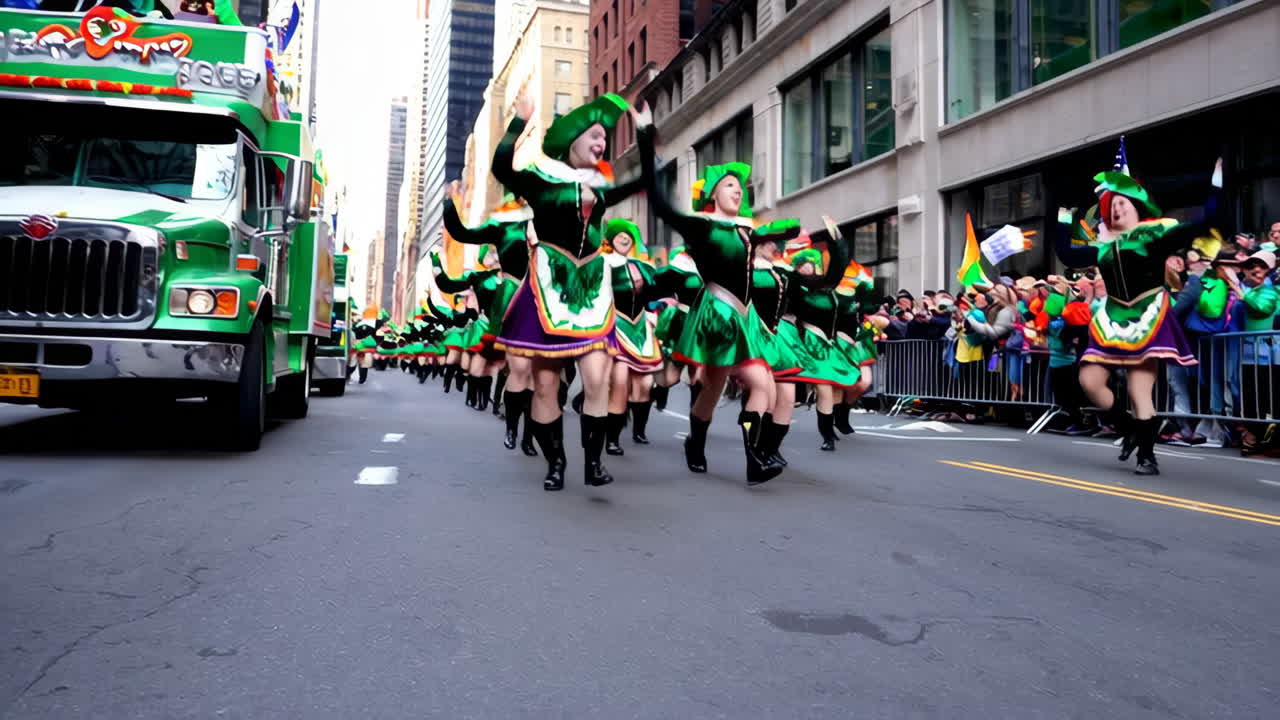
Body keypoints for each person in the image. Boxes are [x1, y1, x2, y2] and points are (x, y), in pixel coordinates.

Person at [491, 90, 643, 491]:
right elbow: (502, 168)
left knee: (597, 379)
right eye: (594, 135)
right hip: (547, 287)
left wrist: (644, 133)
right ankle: (555, 462)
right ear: (572, 140)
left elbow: (644, 179)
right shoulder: (541, 180)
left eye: (604, 137)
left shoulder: (601, 185)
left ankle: (593, 464)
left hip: (591, 289)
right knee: (545, 384)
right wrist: (518, 125)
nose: (601, 143)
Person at [636, 104, 784, 485]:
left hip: (744, 317)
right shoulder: (701, 226)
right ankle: (698, 444)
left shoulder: (748, 230)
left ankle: (753, 456)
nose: (738, 190)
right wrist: (644, 137)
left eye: (740, 186)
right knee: (721, 386)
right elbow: (658, 200)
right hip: (716, 314)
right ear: (714, 194)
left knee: (756, 383)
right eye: (730, 185)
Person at [1055, 158, 1222, 475]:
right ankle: (1129, 428)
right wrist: (1065, 212)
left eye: (1122, 203)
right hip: (1111, 319)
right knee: (1088, 381)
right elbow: (1065, 252)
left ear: (1136, 206)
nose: (1116, 209)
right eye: (1111, 206)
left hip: (1147, 317)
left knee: (1138, 391)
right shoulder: (1103, 248)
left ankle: (1147, 456)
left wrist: (1216, 185)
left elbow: (1206, 221)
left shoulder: (1156, 237)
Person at [442, 186, 539, 455]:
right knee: (521, 370)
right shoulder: (504, 224)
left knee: (541, 378)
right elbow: (464, 234)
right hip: (514, 300)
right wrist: (450, 211)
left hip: (547, 300)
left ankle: (530, 437)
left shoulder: (552, 221)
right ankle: (512, 428)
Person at [601, 219, 665, 454]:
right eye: (620, 234)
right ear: (611, 238)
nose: (625, 238)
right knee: (619, 383)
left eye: (629, 234)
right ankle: (612, 438)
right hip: (614, 325)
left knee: (645, 383)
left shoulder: (643, 267)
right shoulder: (602, 264)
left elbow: (653, 296)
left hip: (640, 328)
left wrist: (653, 308)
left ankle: (639, 430)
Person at [651, 246, 704, 412]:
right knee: (670, 378)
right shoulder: (681, 263)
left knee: (699, 375)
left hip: (704, 324)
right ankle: (652, 393)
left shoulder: (712, 262)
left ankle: (696, 418)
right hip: (683, 323)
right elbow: (658, 280)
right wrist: (664, 299)